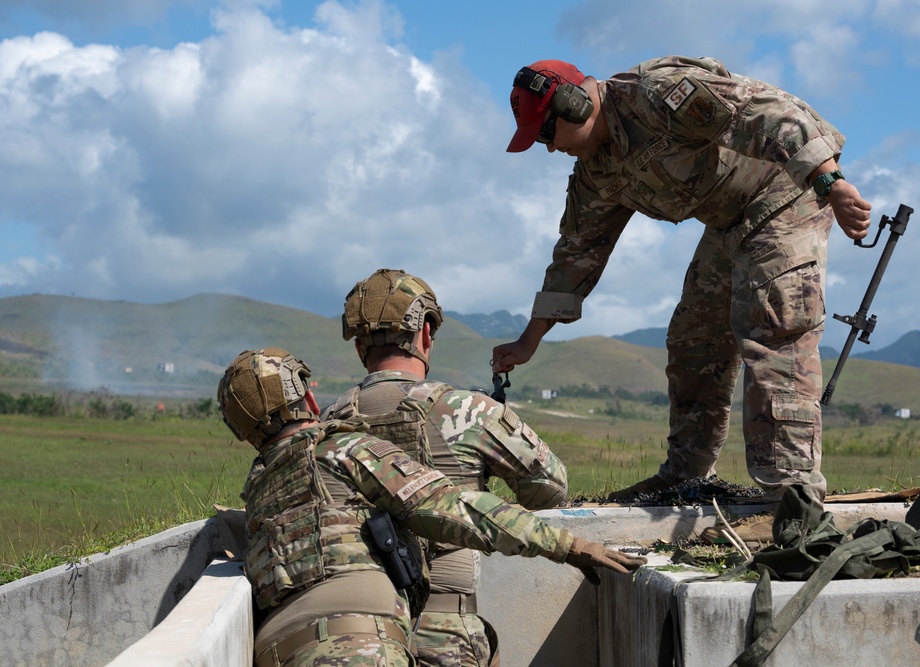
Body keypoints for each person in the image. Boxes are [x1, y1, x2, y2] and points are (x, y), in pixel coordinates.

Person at [493, 57, 873, 539]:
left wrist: (831, 183)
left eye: (545, 135)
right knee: (695, 337)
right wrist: (530, 340)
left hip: (784, 194)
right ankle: (687, 478)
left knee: (774, 330)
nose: (548, 150)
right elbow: (576, 253)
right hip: (730, 220)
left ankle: (793, 503)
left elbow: (773, 115)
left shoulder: (657, 95)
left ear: (571, 106)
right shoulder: (596, 169)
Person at [218, 347, 644, 667]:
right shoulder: (339, 449)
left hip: (274, 652)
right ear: (310, 402)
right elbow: (451, 508)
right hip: (359, 647)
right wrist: (567, 545)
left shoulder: (257, 487)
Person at [325, 268, 569, 667]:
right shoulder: (468, 410)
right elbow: (550, 489)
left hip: (356, 639)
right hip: (445, 634)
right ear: (424, 333)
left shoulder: (325, 426)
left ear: (358, 347)